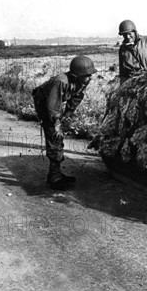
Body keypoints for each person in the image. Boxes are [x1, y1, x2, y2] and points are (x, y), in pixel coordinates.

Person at [32, 55, 97, 190]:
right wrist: (56, 123)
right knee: (54, 137)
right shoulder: (60, 82)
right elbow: (52, 105)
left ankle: (55, 173)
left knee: (58, 136)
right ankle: (54, 177)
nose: (90, 77)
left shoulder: (82, 81)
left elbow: (77, 97)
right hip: (44, 104)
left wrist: (67, 115)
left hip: (54, 104)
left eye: (91, 74)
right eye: (87, 75)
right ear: (76, 75)